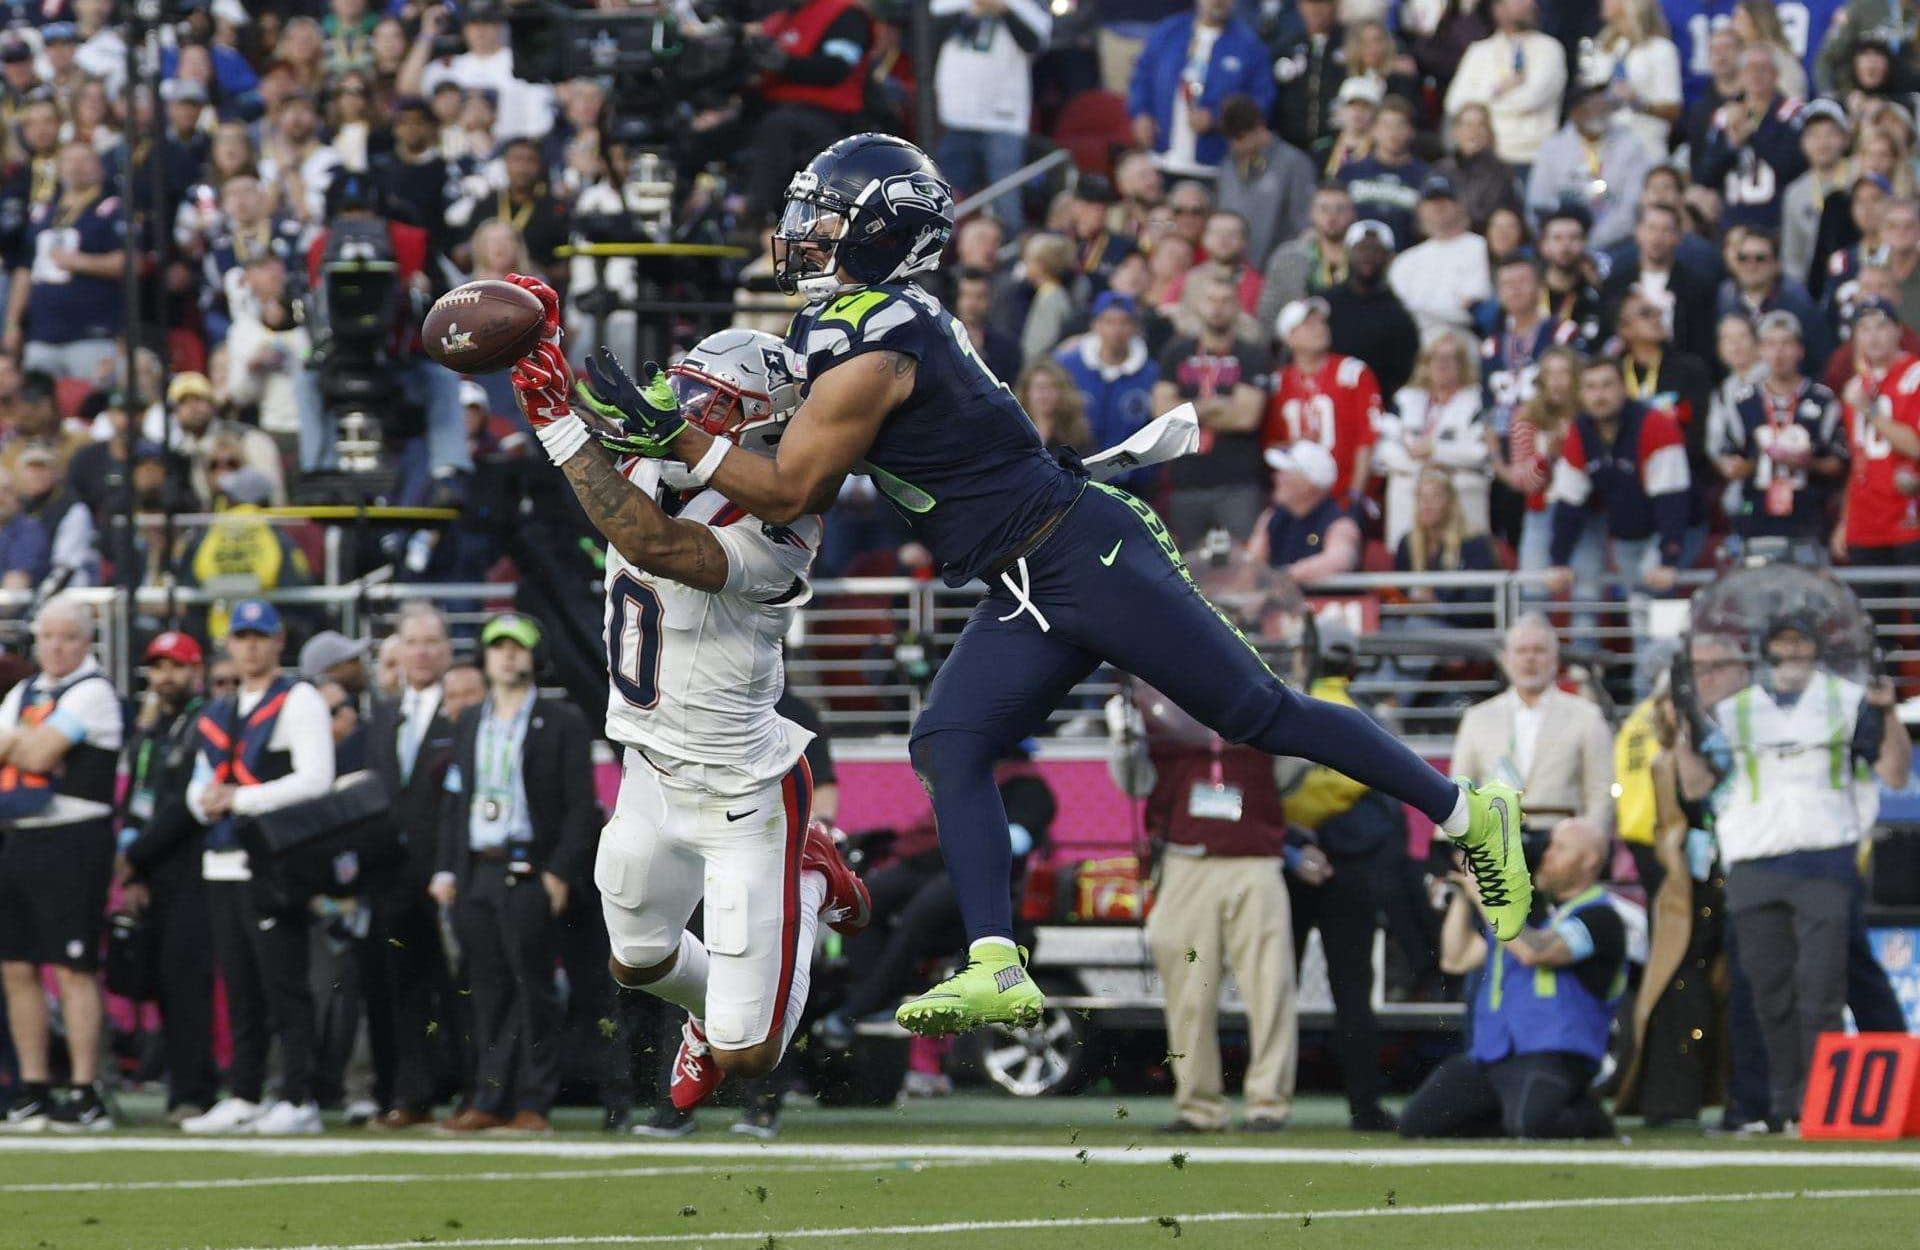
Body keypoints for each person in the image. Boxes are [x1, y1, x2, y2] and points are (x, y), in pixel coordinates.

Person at [567, 134, 1534, 1036]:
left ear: (876, 230)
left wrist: (682, 439)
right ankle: (998, 962)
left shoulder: (877, 339)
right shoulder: (850, 324)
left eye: (823, 214)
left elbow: (794, 483)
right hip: (1024, 578)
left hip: (1082, 553)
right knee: (948, 739)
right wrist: (671, 422)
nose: (801, 231)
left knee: (1259, 714)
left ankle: (1464, 811)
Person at [506, 312, 871, 1111]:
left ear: (761, 424)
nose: (685, 410)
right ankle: (705, 1014)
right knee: (635, 962)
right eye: (690, 390)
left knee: (750, 1055)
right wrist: (541, 359)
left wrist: (557, 424)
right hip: (648, 770)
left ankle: (811, 875)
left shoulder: (785, 524)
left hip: (742, 790)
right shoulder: (661, 454)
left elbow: (656, 545)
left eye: (712, 401)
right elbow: (605, 438)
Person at [1686, 616, 1911, 1129]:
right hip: (1753, 858)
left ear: (1815, 652)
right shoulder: (1733, 710)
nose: (1790, 654)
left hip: (1824, 857)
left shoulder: (1848, 698)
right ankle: (1784, 1108)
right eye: (1781, 645)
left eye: (1799, 644)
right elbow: (1696, 784)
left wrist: (1888, 713)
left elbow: (1894, 773)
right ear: (1767, 654)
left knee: (1821, 990)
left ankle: (1824, 1105)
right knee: (1768, 993)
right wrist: (1683, 729)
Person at [1105, 620, 1301, 1135]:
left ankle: (1268, 1103)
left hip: (1254, 856)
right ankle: (1198, 1104)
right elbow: (1135, 781)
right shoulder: (1160, 706)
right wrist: (1123, 740)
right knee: (1188, 989)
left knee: (1270, 985)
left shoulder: (1261, 694)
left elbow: (1292, 771)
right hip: (1188, 858)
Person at [428, 614, 594, 1134]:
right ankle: (488, 1097)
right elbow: (459, 802)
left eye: (517, 647)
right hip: (480, 867)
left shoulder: (561, 720)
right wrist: (449, 869)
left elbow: (579, 807)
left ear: (533, 656)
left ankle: (534, 1101)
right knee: (485, 990)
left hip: (530, 867)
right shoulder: (472, 719)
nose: (507, 655)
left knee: (534, 988)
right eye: (497, 647)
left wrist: (558, 873)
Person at [182, 599, 335, 1135]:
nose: (249, 646)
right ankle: (245, 1091)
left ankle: (300, 1094)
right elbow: (198, 785)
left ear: (278, 642)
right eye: (241, 636)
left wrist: (238, 800)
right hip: (221, 859)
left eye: (259, 636)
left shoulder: (298, 699)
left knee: (284, 983)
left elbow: (317, 778)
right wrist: (204, 802)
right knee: (240, 986)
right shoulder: (219, 708)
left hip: (272, 862)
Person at [1400, 817, 1624, 1139]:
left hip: (1553, 1052)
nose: (1547, 855)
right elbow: (1455, 958)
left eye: (1560, 849)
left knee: (1533, 1126)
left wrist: (1485, 891)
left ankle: (1589, 1118)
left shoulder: (1601, 917)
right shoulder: (1522, 912)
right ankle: (1518, 1114)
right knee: (1418, 1124)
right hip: (1493, 1052)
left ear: (1590, 860)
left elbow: (1535, 952)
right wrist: (1466, 889)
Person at [0, 598, 123, 1131]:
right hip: (20, 835)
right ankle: (34, 1086)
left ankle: (83, 1086)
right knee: (17, 964)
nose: (56, 646)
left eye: (68, 637)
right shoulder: (23, 692)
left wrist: (18, 744)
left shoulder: (93, 692)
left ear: (86, 641)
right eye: (48, 636)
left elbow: (36, 756)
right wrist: (24, 743)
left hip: (74, 838)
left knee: (73, 967)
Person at [116, 631, 219, 1126]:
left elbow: (185, 806)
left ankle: (195, 1090)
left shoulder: (204, 724)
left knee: (186, 985)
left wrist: (134, 856)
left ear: (195, 671)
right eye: (158, 668)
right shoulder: (152, 731)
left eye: (176, 667)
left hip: (192, 869)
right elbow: (138, 798)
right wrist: (133, 864)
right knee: (164, 983)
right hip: (155, 870)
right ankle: (181, 1085)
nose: (166, 677)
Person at [362, 603, 457, 1129]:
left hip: (447, 874)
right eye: (412, 642)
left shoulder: (464, 710)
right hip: (390, 878)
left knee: (459, 989)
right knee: (399, 990)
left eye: (430, 642)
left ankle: (472, 1093)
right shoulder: (384, 715)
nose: (421, 652)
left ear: (446, 651)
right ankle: (409, 1093)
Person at [1450, 614, 1615, 836]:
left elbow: (1601, 792)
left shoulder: (1587, 716)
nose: (1530, 658)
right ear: (1506, 659)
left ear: (1555, 659)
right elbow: (1460, 790)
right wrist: (1453, 847)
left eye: (1539, 650)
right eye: (1521, 651)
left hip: (1562, 847)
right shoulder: (1477, 718)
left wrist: (1590, 842)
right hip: (1494, 847)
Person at [1545, 355, 1690, 599]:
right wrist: (1558, 560)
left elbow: (1672, 499)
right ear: (1580, 394)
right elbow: (1569, 500)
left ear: (1623, 389)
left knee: (1654, 596)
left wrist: (1668, 557)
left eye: (1607, 385)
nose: (1599, 395)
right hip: (1628, 532)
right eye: (1590, 387)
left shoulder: (1655, 424)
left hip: (1675, 526)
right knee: (1638, 609)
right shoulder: (1580, 431)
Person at [1152, 271, 1274, 544]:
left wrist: (1188, 410)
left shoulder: (1252, 354)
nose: (1217, 308)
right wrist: (1219, 404)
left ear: (1238, 306)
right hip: (1185, 482)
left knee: (1242, 570)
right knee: (1187, 574)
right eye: (1211, 300)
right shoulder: (1176, 352)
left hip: (1238, 483)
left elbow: (1246, 417)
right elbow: (1163, 414)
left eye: (1225, 300)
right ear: (1198, 305)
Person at [1714, 311, 1848, 545]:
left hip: (1809, 518)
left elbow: (1839, 463)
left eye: (1786, 343)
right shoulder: (1742, 401)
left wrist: (1809, 463)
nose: (1778, 353)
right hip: (1755, 517)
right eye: (1770, 344)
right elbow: (1729, 460)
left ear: (1800, 349)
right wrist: (1747, 464)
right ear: (1760, 350)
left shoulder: (1822, 399)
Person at [2, 143, 122, 382]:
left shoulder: (113, 207)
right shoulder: (45, 212)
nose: (76, 167)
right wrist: (13, 323)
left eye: (84, 160)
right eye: (69, 160)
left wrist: (79, 262)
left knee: (90, 402)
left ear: (99, 167)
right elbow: (26, 269)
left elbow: (128, 262)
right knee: (38, 406)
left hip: (91, 333)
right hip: (42, 333)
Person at [931, 0, 1049, 230]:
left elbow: (1035, 43)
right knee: (944, 199)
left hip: (1003, 117)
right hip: (956, 115)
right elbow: (929, 35)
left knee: (1005, 199)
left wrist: (1004, 11)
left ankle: (1009, 259)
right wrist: (970, 13)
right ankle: (940, 258)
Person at [1126, 0, 1274, 178]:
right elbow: (1141, 76)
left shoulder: (1250, 46)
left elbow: (1262, 100)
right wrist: (1141, 113)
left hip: (1215, 168)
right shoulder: (1168, 32)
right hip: (1161, 159)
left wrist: (1217, 117)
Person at [1262, 295, 1382, 510]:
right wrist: (1296, 445)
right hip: (1299, 503)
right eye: (1308, 324)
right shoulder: (1277, 384)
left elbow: (1368, 437)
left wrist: (1356, 493)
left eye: (1321, 322)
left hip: (1345, 495)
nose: (1320, 328)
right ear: (1289, 337)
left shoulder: (1352, 373)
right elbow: (1271, 444)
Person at [1377, 331, 1490, 548]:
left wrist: (1435, 450)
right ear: (1425, 363)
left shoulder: (1477, 400)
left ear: (1463, 364)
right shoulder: (1406, 398)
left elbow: (1480, 451)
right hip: (1409, 492)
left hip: (1462, 494)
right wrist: (1428, 468)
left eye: (1450, 358)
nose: (1442, 365)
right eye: (1435, 358)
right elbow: (1384, 448)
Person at [1835, 296, 1920, 564]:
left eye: (1881, 326)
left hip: (1909, 520)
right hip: (1865, 523)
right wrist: (1845, 521)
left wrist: (1869, 410)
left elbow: (1917, 446)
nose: (1873, 337)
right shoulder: (1856, 386)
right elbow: (1857, 460)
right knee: (1871, 606)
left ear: (1898, 330)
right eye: (1864, 329)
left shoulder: (1915, 375)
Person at [1526, 80, 1655, 253]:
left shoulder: (1630, 144)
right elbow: (1539, 202)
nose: (1599, 112)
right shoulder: (1553, 147)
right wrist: (1567, 240)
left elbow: (1631, 206)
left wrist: (1592, 242)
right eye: (1591, 106)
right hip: (1561, 243)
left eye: (1603, 106)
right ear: (1574, 113)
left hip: (1617, 241)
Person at [1443, 0, 1569, 171]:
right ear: (1498, 9)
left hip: (1532, 158)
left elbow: (1531, 99)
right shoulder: (1479, 51)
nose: (1529, 4)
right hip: (1485, 158)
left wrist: (1483, 106)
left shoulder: (1550, 49)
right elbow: (1455, 103)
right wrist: (1495, 90)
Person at [1699, 47, 1810, 235]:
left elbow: (1794, 167)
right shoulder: (1725, 116)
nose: (1756, 75)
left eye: (1763, 68)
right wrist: (1732, 145)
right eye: (1750, 69)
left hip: (1778, 218)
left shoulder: (1793, 113)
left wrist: (1754, 137)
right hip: (1734, 221)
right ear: (1741, 75)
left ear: (1776, 75)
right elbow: (1706, 174)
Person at [1213, 94, 1316, 269]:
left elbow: (1303, 222)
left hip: (1277, 265)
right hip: (1233, 267)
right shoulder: (1228, 165)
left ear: (1259, 128)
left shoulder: (1294, 163)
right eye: (1230, 139)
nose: (1234, 145)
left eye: (1240, 137)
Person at [1387, 176, 1492, 346]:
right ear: (1421, 210)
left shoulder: (1480, 247)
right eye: (1431, 201)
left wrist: (1418, 307)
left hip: (1464, 338)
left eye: (1445, 200)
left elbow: (1470, 309)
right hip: (1416, 340)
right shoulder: (1406, 261)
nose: (1438, 207)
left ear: (1459, 205)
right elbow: (1397, 311)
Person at [1325, 219, 1420, 398]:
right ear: (1348, 253)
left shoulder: (1398, 314)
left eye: (1376, 250)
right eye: (1361, 248)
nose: (1368, 255)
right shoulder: (1325, 303)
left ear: (1389, 258)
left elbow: (1403, 374)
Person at [1248, 441, 1362, 582]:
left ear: (1310, 483)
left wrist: (1287, 576)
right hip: (1282, 601)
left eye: (1286, 473)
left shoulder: (1339, 524)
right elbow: (1251, 562)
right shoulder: (1271, 518)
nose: (1277, 478)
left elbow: (1340, 560)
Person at [1337, 96, 1431, 249]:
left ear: (1411, 131)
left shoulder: (1425, 176)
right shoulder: (1349, 172)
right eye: (1386, 125)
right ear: (1373, 130)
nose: (1393, 132)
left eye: (1400, 125)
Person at [1256, 183, 1354, 330]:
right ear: (1311, 213)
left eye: (1340, 209)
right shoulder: (1288, 257)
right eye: (1324, 209)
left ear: (1353, 214)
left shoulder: (1364, 259)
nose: (1332, 216)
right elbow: (1268, 310)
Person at [1782, 99, 1853, 290]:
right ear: (1802, 142)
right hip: (1816, 284)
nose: (1822, 142)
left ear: (1845, 139)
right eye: (1813, 135)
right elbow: (1793, 257)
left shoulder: (1860, 177)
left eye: (1830, 134)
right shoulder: (1795, 193)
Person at [1270, 0, 1347, 154]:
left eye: (1322, 3)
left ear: (1335, 6)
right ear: (1300, 6)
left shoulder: (1350, 45)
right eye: (1310, 3)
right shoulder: (1286, 46)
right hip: (1290, 145)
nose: (1316, 10)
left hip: (1336, 145)